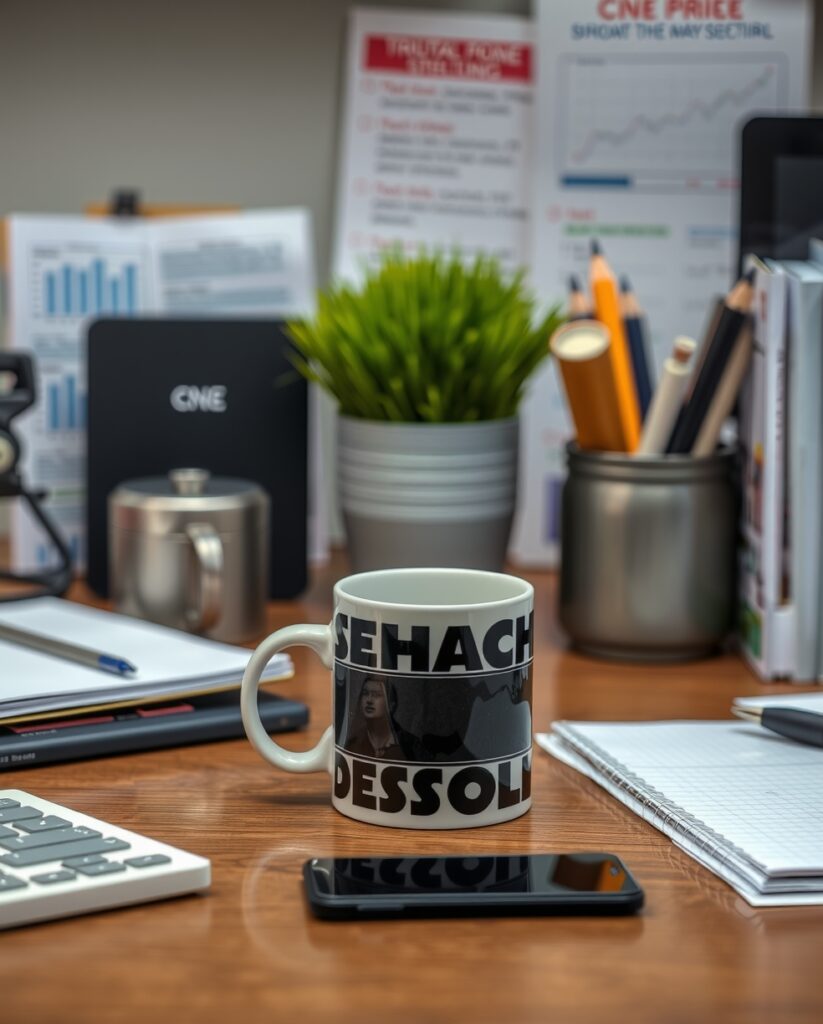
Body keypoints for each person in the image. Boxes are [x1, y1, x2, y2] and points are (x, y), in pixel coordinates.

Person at [344, 675, 420, 760]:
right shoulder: (353, 743)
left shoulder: (411, 745)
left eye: (376, 695)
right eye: (365, 693)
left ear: (391, 705)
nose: (369, 700)